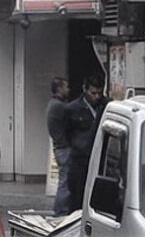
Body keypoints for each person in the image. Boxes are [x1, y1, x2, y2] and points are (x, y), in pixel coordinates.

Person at [64, 74, 110, 214]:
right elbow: (67, 133)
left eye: (99, 93)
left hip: (101, 161)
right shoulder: (72, 109)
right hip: (80, 160)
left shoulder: (107, 105)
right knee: (77, 198)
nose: (96, 97)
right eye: (93, 93)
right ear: (85, 89)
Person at [46, 77, 72, 216]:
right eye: (66, 86)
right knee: (65, 182)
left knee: (64, 180)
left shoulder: (53, 104)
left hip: (59, 147)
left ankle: (60, 209)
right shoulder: (60, 106)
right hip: (64, 148)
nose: (68, 89)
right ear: (60, 89)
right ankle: (60, 210)